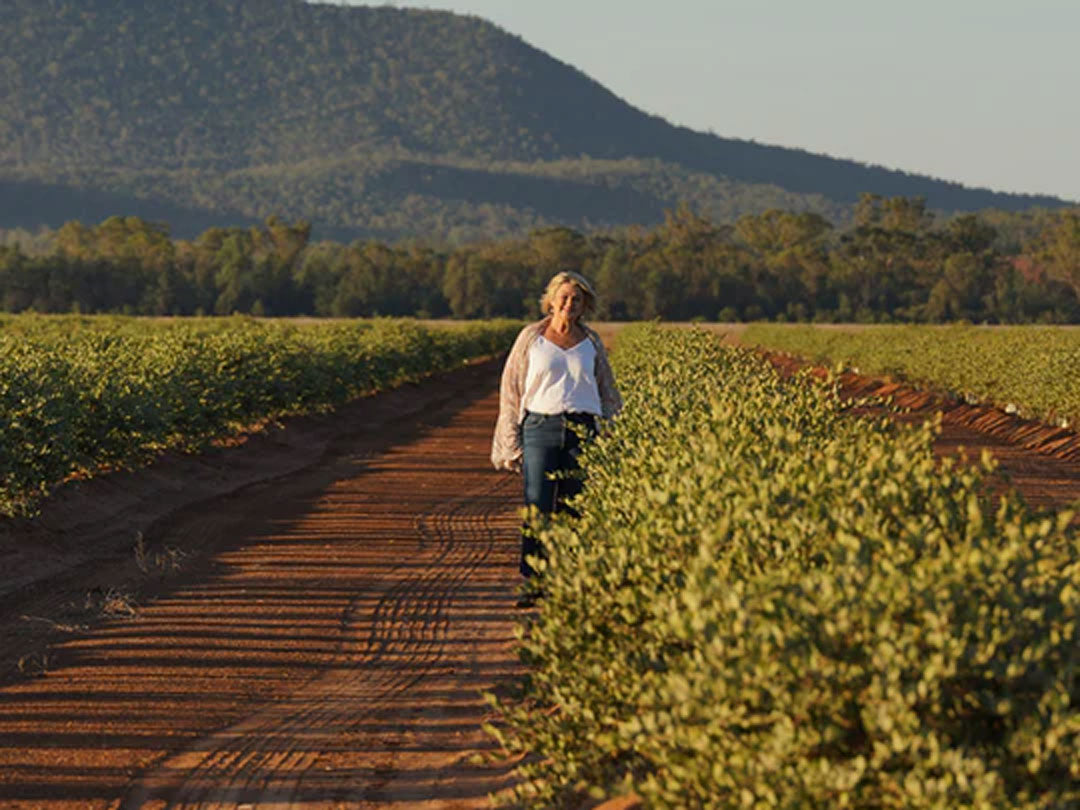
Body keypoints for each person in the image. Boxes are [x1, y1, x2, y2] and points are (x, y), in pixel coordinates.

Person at [491, 270, 622, 602]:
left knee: (573, 507)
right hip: (540, 427)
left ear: (584, 305)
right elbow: (511, 388)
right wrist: (509, 439)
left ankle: (567, 581)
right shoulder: (531, 338)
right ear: (550, 301)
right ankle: (534, 581)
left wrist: (612, 429)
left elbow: (607, 389)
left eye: (577, 299)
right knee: (537, 505)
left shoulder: (591, 342)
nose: (569, 304)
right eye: (564, 297)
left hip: (582, 430)